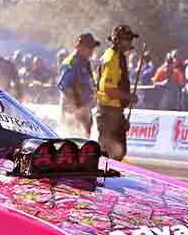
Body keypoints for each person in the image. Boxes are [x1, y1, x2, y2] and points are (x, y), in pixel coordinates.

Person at [95, 25, 139, 160]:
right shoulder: (112, 59)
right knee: (111, 154)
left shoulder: (117, 56)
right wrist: (129, 96)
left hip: (114, 112)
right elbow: (108, 90)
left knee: (117, 152)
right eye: (128, 39)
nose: (130, 43)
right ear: (118, 41)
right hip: (109, 113)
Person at [57, 33, 100, 137]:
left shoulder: (85, 62)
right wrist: (77, 109)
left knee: (84, 144)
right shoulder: (71, 62)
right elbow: (66, 88)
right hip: (73, 112)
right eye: (88, 47)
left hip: (84, 110)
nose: (91, 50)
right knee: (73, 144)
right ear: (79, 46)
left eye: (92, 47)